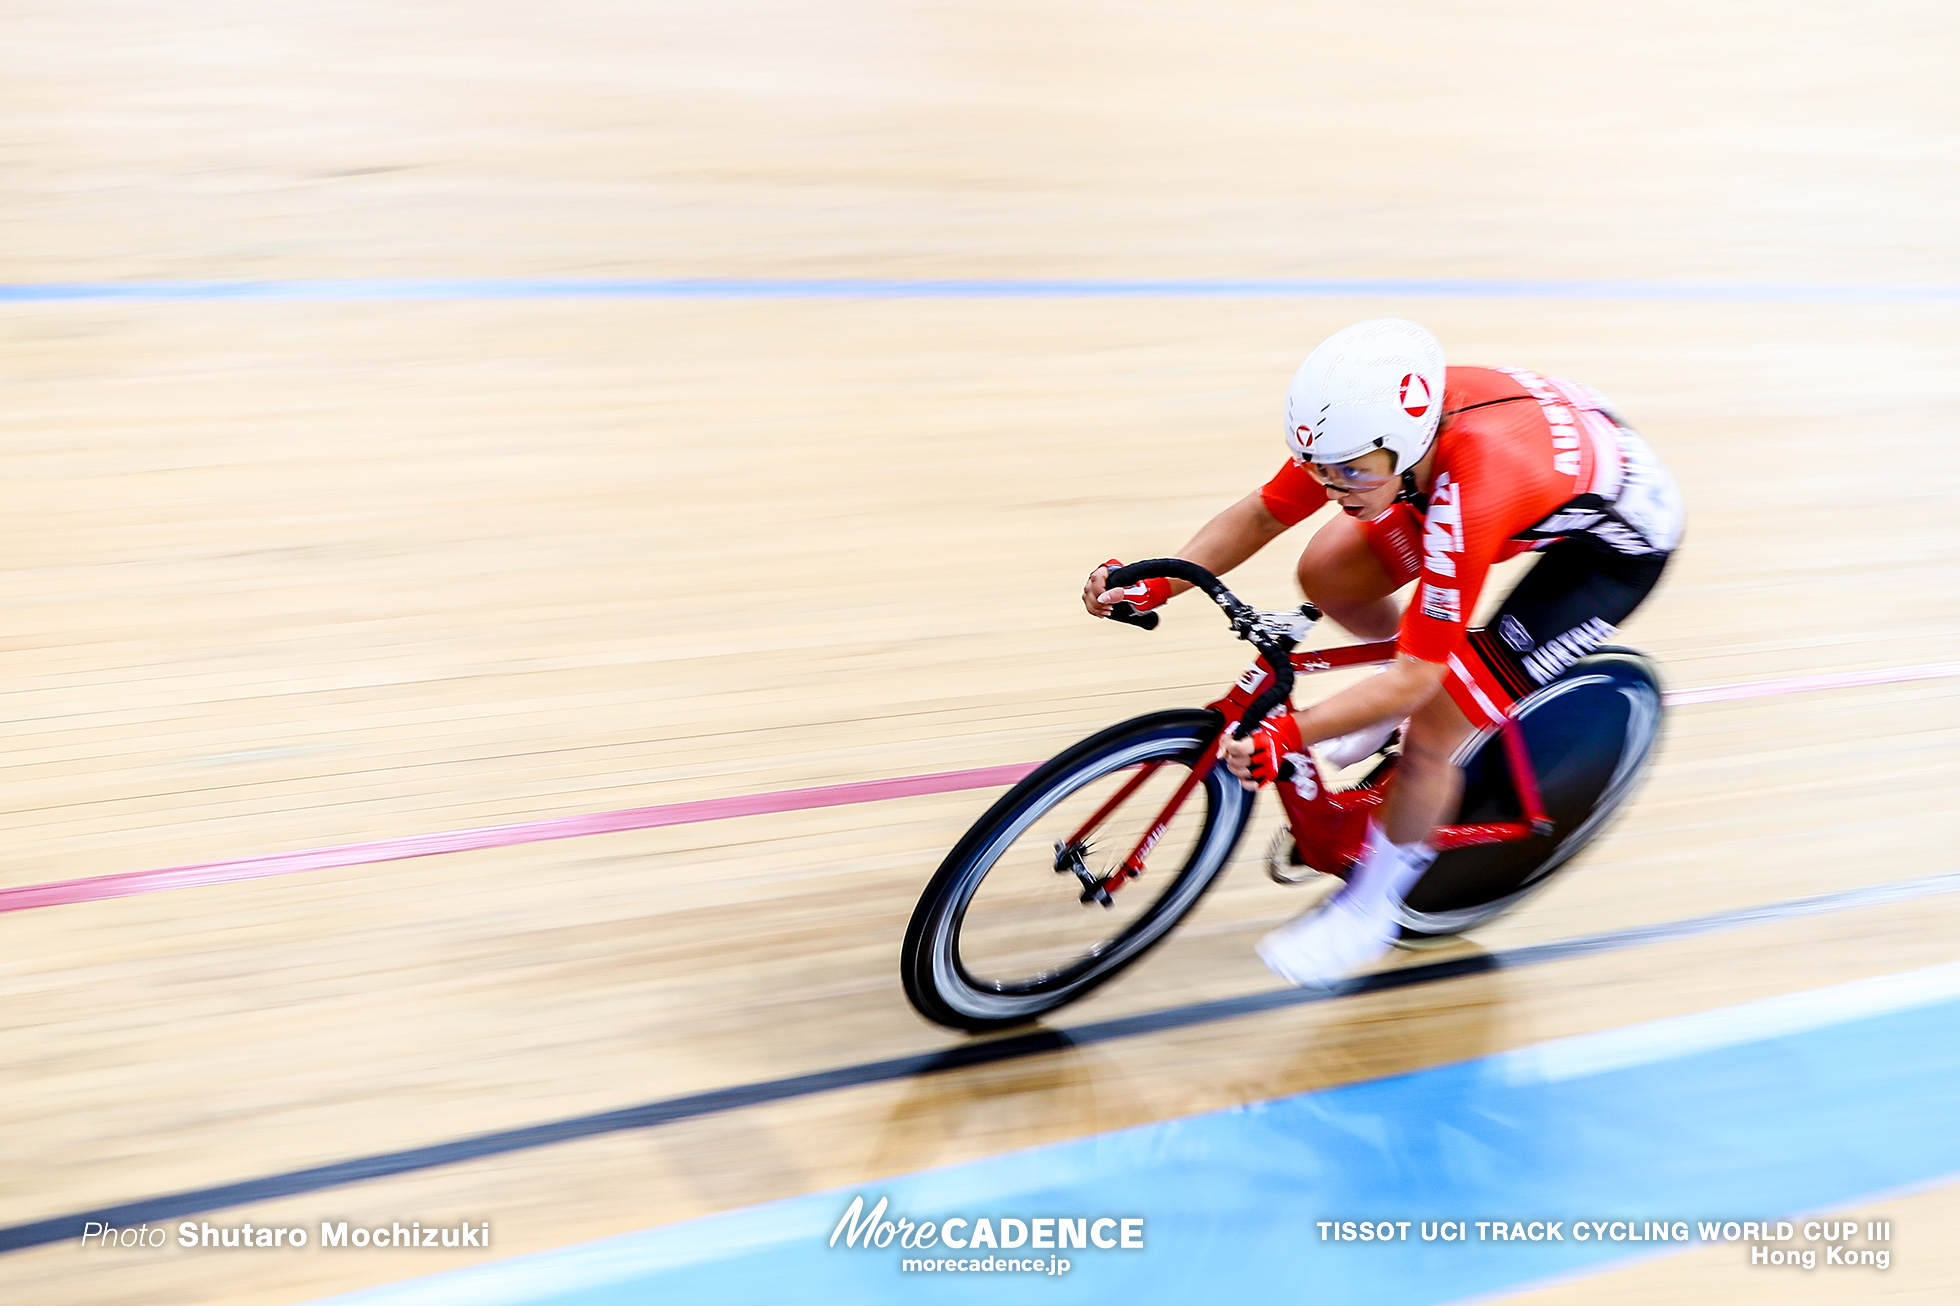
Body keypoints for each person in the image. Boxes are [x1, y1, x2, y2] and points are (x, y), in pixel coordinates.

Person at [1083, 318, 1683, 987]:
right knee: (1329, 570)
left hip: (1608, 554)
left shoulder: (1468, 487)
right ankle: (1377, 692)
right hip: (1519, 465)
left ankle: (1370, 910)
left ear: (1400, 447)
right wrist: (1159, 582)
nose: (1329, 486)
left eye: (1347, 474)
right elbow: (1262, 514)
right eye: (1317, 468)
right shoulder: (1358, 435)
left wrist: (1292, 730)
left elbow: (1420, 679)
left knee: (1435, 721)